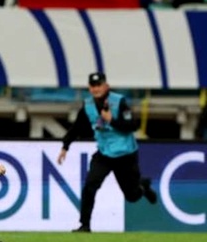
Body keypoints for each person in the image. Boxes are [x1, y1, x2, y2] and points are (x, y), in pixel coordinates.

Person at [58, 72, 158, 233]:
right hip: (104, 153)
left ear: (106, 86)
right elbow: (76, 127)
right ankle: (85, 225)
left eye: (99, 85)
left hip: (125, 154)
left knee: (131, 196)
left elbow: (132, 125)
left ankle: (143, 187)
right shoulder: (88, 105)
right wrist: (65, 146)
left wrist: (112, 120)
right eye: (93, 86)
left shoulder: (119, 102)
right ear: (89, 88)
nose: (96, 88)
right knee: (90, 185)